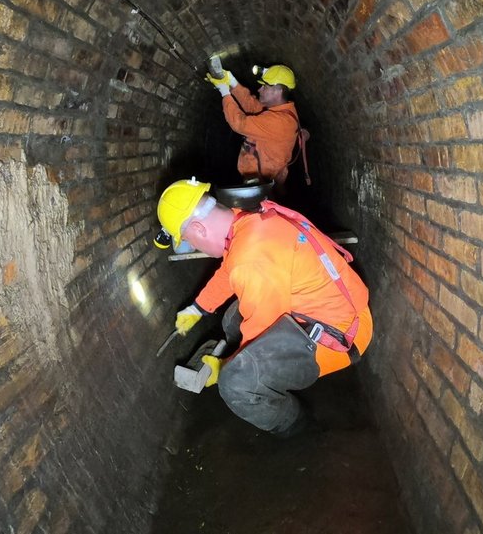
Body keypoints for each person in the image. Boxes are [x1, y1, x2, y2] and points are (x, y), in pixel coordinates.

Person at [158, 177, 373, 437]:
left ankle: (301, 428)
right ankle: (269, 379)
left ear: (199, 229)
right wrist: (198, 308)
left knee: (236, 384)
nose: (194, 246)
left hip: (340, 337)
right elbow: (230, 270)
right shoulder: (245, 221)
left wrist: (226, 365)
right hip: (333, 308)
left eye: (190, 240)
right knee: (231, 320)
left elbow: (262, 329)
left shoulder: (251, 260)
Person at [205, 65, 302, 188]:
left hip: (262, 184)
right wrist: (232, 82)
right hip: (258, 177)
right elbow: (253, 106)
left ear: (278, 91)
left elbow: (239, 123)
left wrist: (224, 92)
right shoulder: (281, 110)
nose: (259, 90)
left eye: (265, 87)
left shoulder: (280, 122)